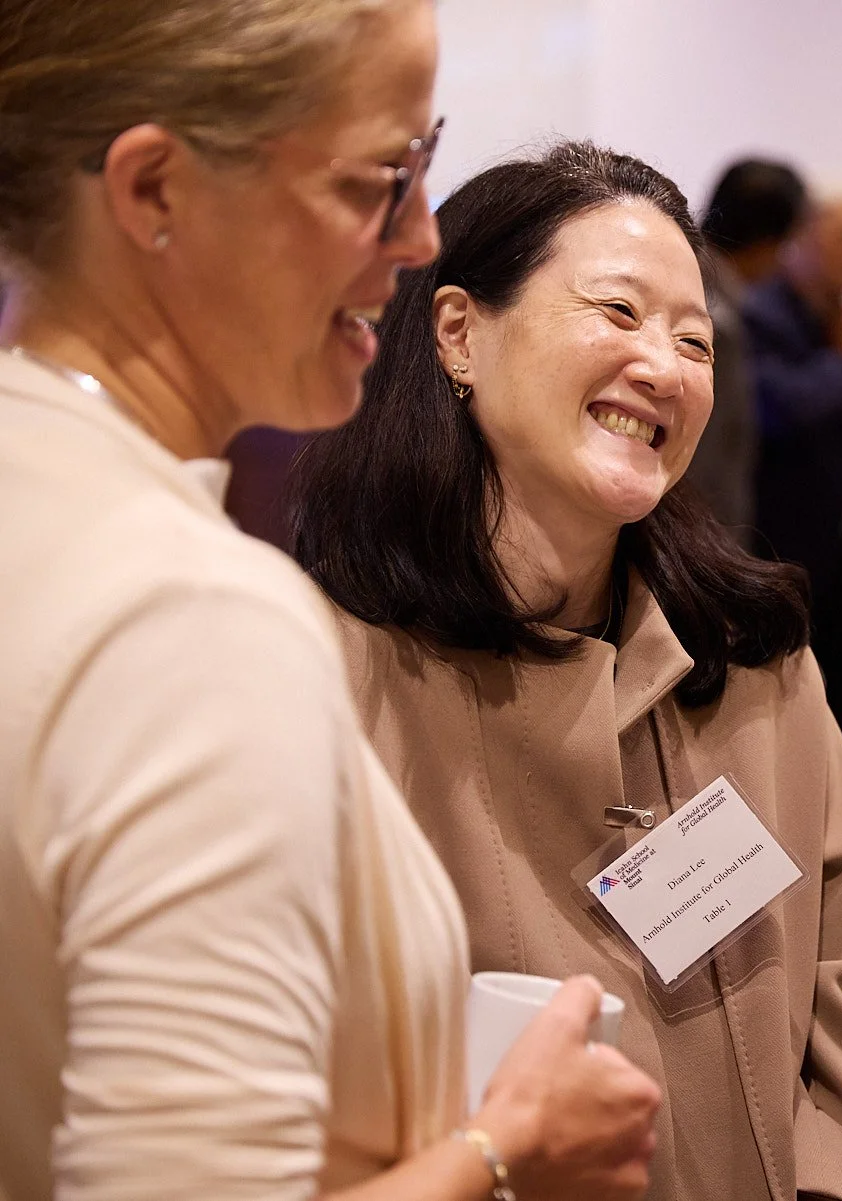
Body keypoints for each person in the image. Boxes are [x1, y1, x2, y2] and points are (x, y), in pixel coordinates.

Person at [0, 3, 660, 1199]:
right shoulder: (190, 616)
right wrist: (507, 1152)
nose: (418, 237)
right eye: (381, 178)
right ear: (154, 193)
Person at [290, 141, 842, 1201]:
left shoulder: (757, 665)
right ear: (458, 335)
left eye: (695, 340)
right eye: (617, 312)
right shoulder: (321, 680)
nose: (663, 367)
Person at [744, 182, 842, 722]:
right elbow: (780, 409)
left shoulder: (840, 321)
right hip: (777, 545)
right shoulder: (759, 313)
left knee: (840, 700)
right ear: (800, 237)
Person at [692, 157, 806, 539]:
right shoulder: (712, 314)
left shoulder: (705, 288)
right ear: (767, 239)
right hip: (698, 538)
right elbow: (706, 451)